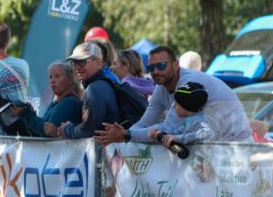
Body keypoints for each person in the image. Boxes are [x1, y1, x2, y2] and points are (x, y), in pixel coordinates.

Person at [94, 45, 252, 145]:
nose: (155, 71)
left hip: (237, 146)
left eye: (161, 65)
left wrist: (126, 135)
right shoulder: (161, 88)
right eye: (151, 67)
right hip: (216, 147)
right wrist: (123, 134)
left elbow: (168, 128)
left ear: (176, 65)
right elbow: (145, 123)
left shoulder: (187, 85)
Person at [46, 42, 119, 139]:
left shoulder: (95, 89)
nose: (77, 67)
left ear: (98, 63)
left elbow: (88, 131)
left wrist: (67, 129)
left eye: (82, 62)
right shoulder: (100, 85)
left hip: (104, 151)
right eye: (74, 62)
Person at [18, 61, 83, 137]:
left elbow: (47, 133)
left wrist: (26, 114)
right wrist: (30, 113)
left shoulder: (69, 102)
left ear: (69, 80)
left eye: (57, 76)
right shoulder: (56, 103)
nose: (52, 80)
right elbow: (39, 132)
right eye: (50, 77)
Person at [147, 82, 215, 145]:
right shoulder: (189, 120)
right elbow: (178, 131)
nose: (173, 106)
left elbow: (207, 133)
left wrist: (176, 138)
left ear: (187, 106)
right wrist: (160, 134)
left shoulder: (199, 120)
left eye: (177, 104)